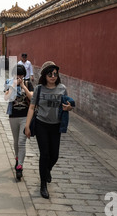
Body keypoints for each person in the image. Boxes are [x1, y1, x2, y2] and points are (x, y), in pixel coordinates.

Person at [25, 61, 74, 199]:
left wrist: (68, 108)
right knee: (44, 154)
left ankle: (47, 170)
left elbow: (67, 105)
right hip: (41, 124)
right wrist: (27, 126)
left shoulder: (62, 88)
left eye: (55, 74)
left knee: (55, 155)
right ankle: (43, 185)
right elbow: (32, 107)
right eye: (50, 74)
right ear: (44, 76)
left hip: (56, 125)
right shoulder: (40, 89)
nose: (53, 76)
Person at [4, 64, 34, 181]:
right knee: (16, 141)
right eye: (17, 75)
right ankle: (17, 158)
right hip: (13, 116)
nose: (19, 77)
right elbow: (7, 98)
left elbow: (32, 98)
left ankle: (20, 165)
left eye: (21, 75)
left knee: (22, 141)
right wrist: (14, 85)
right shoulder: (9, 82)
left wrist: (23, 86)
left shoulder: (27, 83)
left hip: (25, 116)